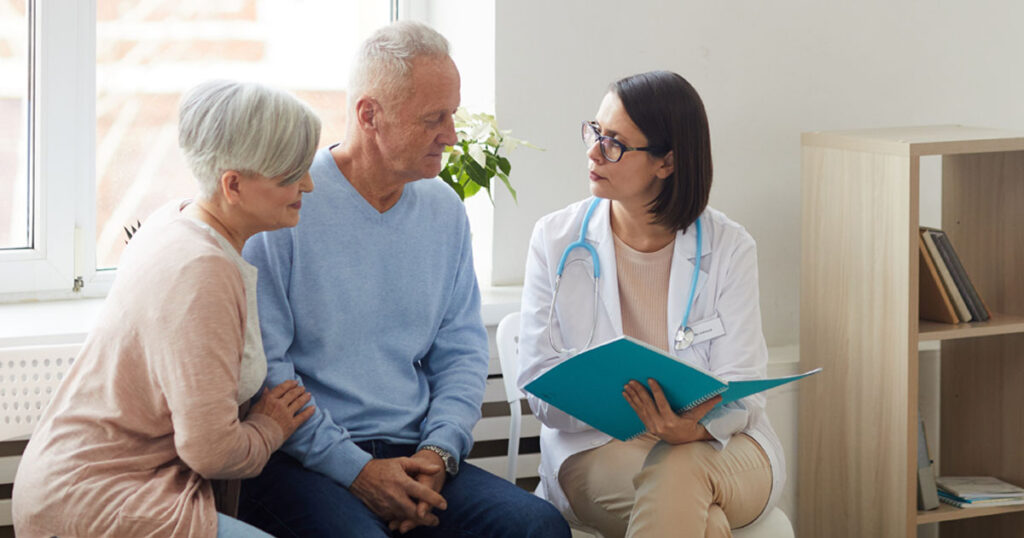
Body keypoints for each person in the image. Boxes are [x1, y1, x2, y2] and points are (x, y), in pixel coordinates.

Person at [236, 21, 569, 538]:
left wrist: (439, 451)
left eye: (453, 115)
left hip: (417, 453)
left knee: (537, 526)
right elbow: (269, 374)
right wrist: (358, 472)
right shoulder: (286, 206)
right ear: (369, 115)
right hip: (302, 461)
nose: (452, 136)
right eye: (433, 118)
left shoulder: (444, 212)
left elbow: (460, 351)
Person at [12, 80, 321, 537]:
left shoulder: (174, 217)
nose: (309, 185)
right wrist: (270, 428)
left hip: (80, 482)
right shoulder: (203, 271)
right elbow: (211, 452)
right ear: (232, 185)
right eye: (290, 176)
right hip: (97, 502)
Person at [518, 70, 785, 538]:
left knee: (681, 473)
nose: (593, 151)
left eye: (615, 143)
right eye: (595, 132)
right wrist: (620, 406)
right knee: (705, 522)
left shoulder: (729, 247)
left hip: (721, 446)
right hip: (599, 449)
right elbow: (540, 387)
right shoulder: (555, 240)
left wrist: (693, 430)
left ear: (666, 163)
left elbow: (743, 386)